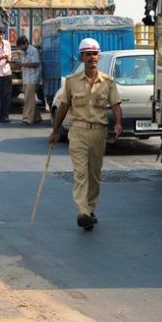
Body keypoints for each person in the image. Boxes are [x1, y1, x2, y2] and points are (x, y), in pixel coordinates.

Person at [49, 38, 122, 232]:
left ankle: (90, 208)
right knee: (80, 173)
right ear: (81, 57)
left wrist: (119, 123)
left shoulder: (107, 82)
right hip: (78, 132)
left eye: (95, 54)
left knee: (94, 175)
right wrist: (55, 131)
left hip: (99, 132)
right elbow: (64, 105)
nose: (92, 58)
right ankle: (83, 212)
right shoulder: (72, 82)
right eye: (88, 54)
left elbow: (115, 105)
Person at [14, 36, 42, 125]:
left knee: (28, 100)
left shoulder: (33, 51)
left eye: (21, 46)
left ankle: (28, 118)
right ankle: (37, 117)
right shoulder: (23, 52)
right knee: (29, 99)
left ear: (25, 44)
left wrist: (22, 64)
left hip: (32, 78)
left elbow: (36, 63)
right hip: (26, 78)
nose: (20, 48)